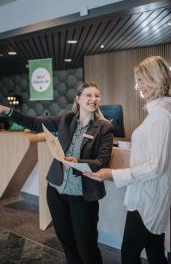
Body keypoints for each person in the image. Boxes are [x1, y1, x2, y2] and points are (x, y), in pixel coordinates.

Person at [0, 82, 113, 264]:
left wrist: (78, 162)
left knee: (87, 246)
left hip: (82, 195)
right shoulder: (66, 119)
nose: (93, 99)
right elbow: (36, 124)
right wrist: (8, 112)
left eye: (97, 96)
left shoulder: (104, 127)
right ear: (78, 99)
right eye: (88, 95)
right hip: (56, 191)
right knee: (67, 243)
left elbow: (102, 162)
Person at [84, 56, 171, 264]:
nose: (138, 86)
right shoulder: (160, 112)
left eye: (142, 80)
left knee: (129, 254)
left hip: (147, 200)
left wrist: (113, 173)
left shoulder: (160, 117)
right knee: (155, 253)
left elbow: (156, 166)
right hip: (151, 196)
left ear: (156, 79)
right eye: (137, 81)